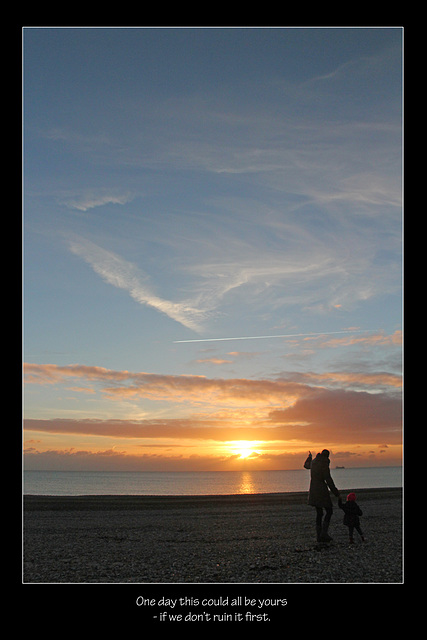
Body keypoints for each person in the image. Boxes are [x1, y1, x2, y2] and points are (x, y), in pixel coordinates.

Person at [304, 450, 340, 542]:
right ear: (327, 456)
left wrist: (309, 457)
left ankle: (319, 535)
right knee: (329, 510)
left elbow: (306, 465)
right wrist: (335, 492)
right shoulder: (324, 464)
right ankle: (323, 533)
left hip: (313, 489)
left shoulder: (314, 462)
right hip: (321, 490)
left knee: (319, 513)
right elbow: (328, 479)